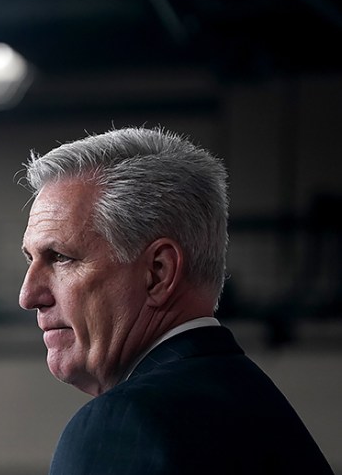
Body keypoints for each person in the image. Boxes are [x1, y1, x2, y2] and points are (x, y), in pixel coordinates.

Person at [17, 127, 333, 474]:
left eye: (60, 257)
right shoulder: (257, 406)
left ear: (158, 272)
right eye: (30, 260)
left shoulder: (123, 426)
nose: (29, 296)